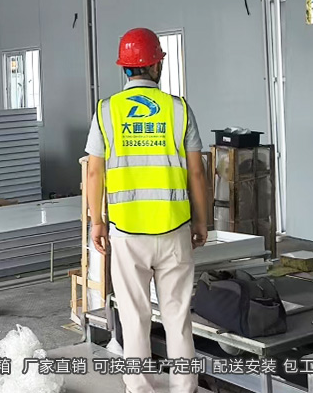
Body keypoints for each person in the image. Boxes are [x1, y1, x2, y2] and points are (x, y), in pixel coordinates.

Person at [84, 27, 209, 393]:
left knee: (134, 317)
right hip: (174, 229)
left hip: (127, 233)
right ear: (156, 65)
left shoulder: (106, 111)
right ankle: (184, 388)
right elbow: (197, 172)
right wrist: (201, 221)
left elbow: (94, 172)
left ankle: (139, 388)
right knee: (177, 317)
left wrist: (97, 222)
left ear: (124, 68)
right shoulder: (179, 109)